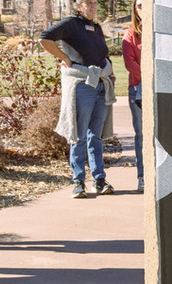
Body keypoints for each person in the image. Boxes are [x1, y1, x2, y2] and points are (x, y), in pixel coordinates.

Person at [40, 0, 117, 199]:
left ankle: (99, 180)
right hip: (82, 84)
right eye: (88, 3)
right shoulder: (70, 24)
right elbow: (45, 38)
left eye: (95, 3)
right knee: (79, 134)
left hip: (101, 84)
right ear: (78, 6)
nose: (93, 6)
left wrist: (110, 73)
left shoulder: (96, 27)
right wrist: (64, 58)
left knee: (96, 136)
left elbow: (102, 55)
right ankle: (78, 181)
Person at [122, 0, 144, 193]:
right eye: (139, 5)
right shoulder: (131, 34)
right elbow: (129, 63)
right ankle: (143, 177)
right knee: (141, 135)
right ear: (134, 9)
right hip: (138, 88)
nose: (143, 8)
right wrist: (150, 77)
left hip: (162, 88)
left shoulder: (160, 32)